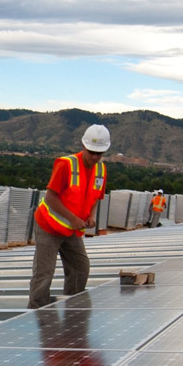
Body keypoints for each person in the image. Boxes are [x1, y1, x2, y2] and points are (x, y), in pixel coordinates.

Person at [27, 124, 110, 309]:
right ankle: (36, 315)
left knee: (80, 268)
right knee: (44, 274)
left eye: (99, 153)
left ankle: (72, 308)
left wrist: (91, 216)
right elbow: (50, 197)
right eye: (91, 152)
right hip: (49, 226)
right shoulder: (67, 164)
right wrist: (73, 218)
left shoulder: (101, 170)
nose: (95, 157)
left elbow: (97, 197)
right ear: (84, 147)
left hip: (73, 229)